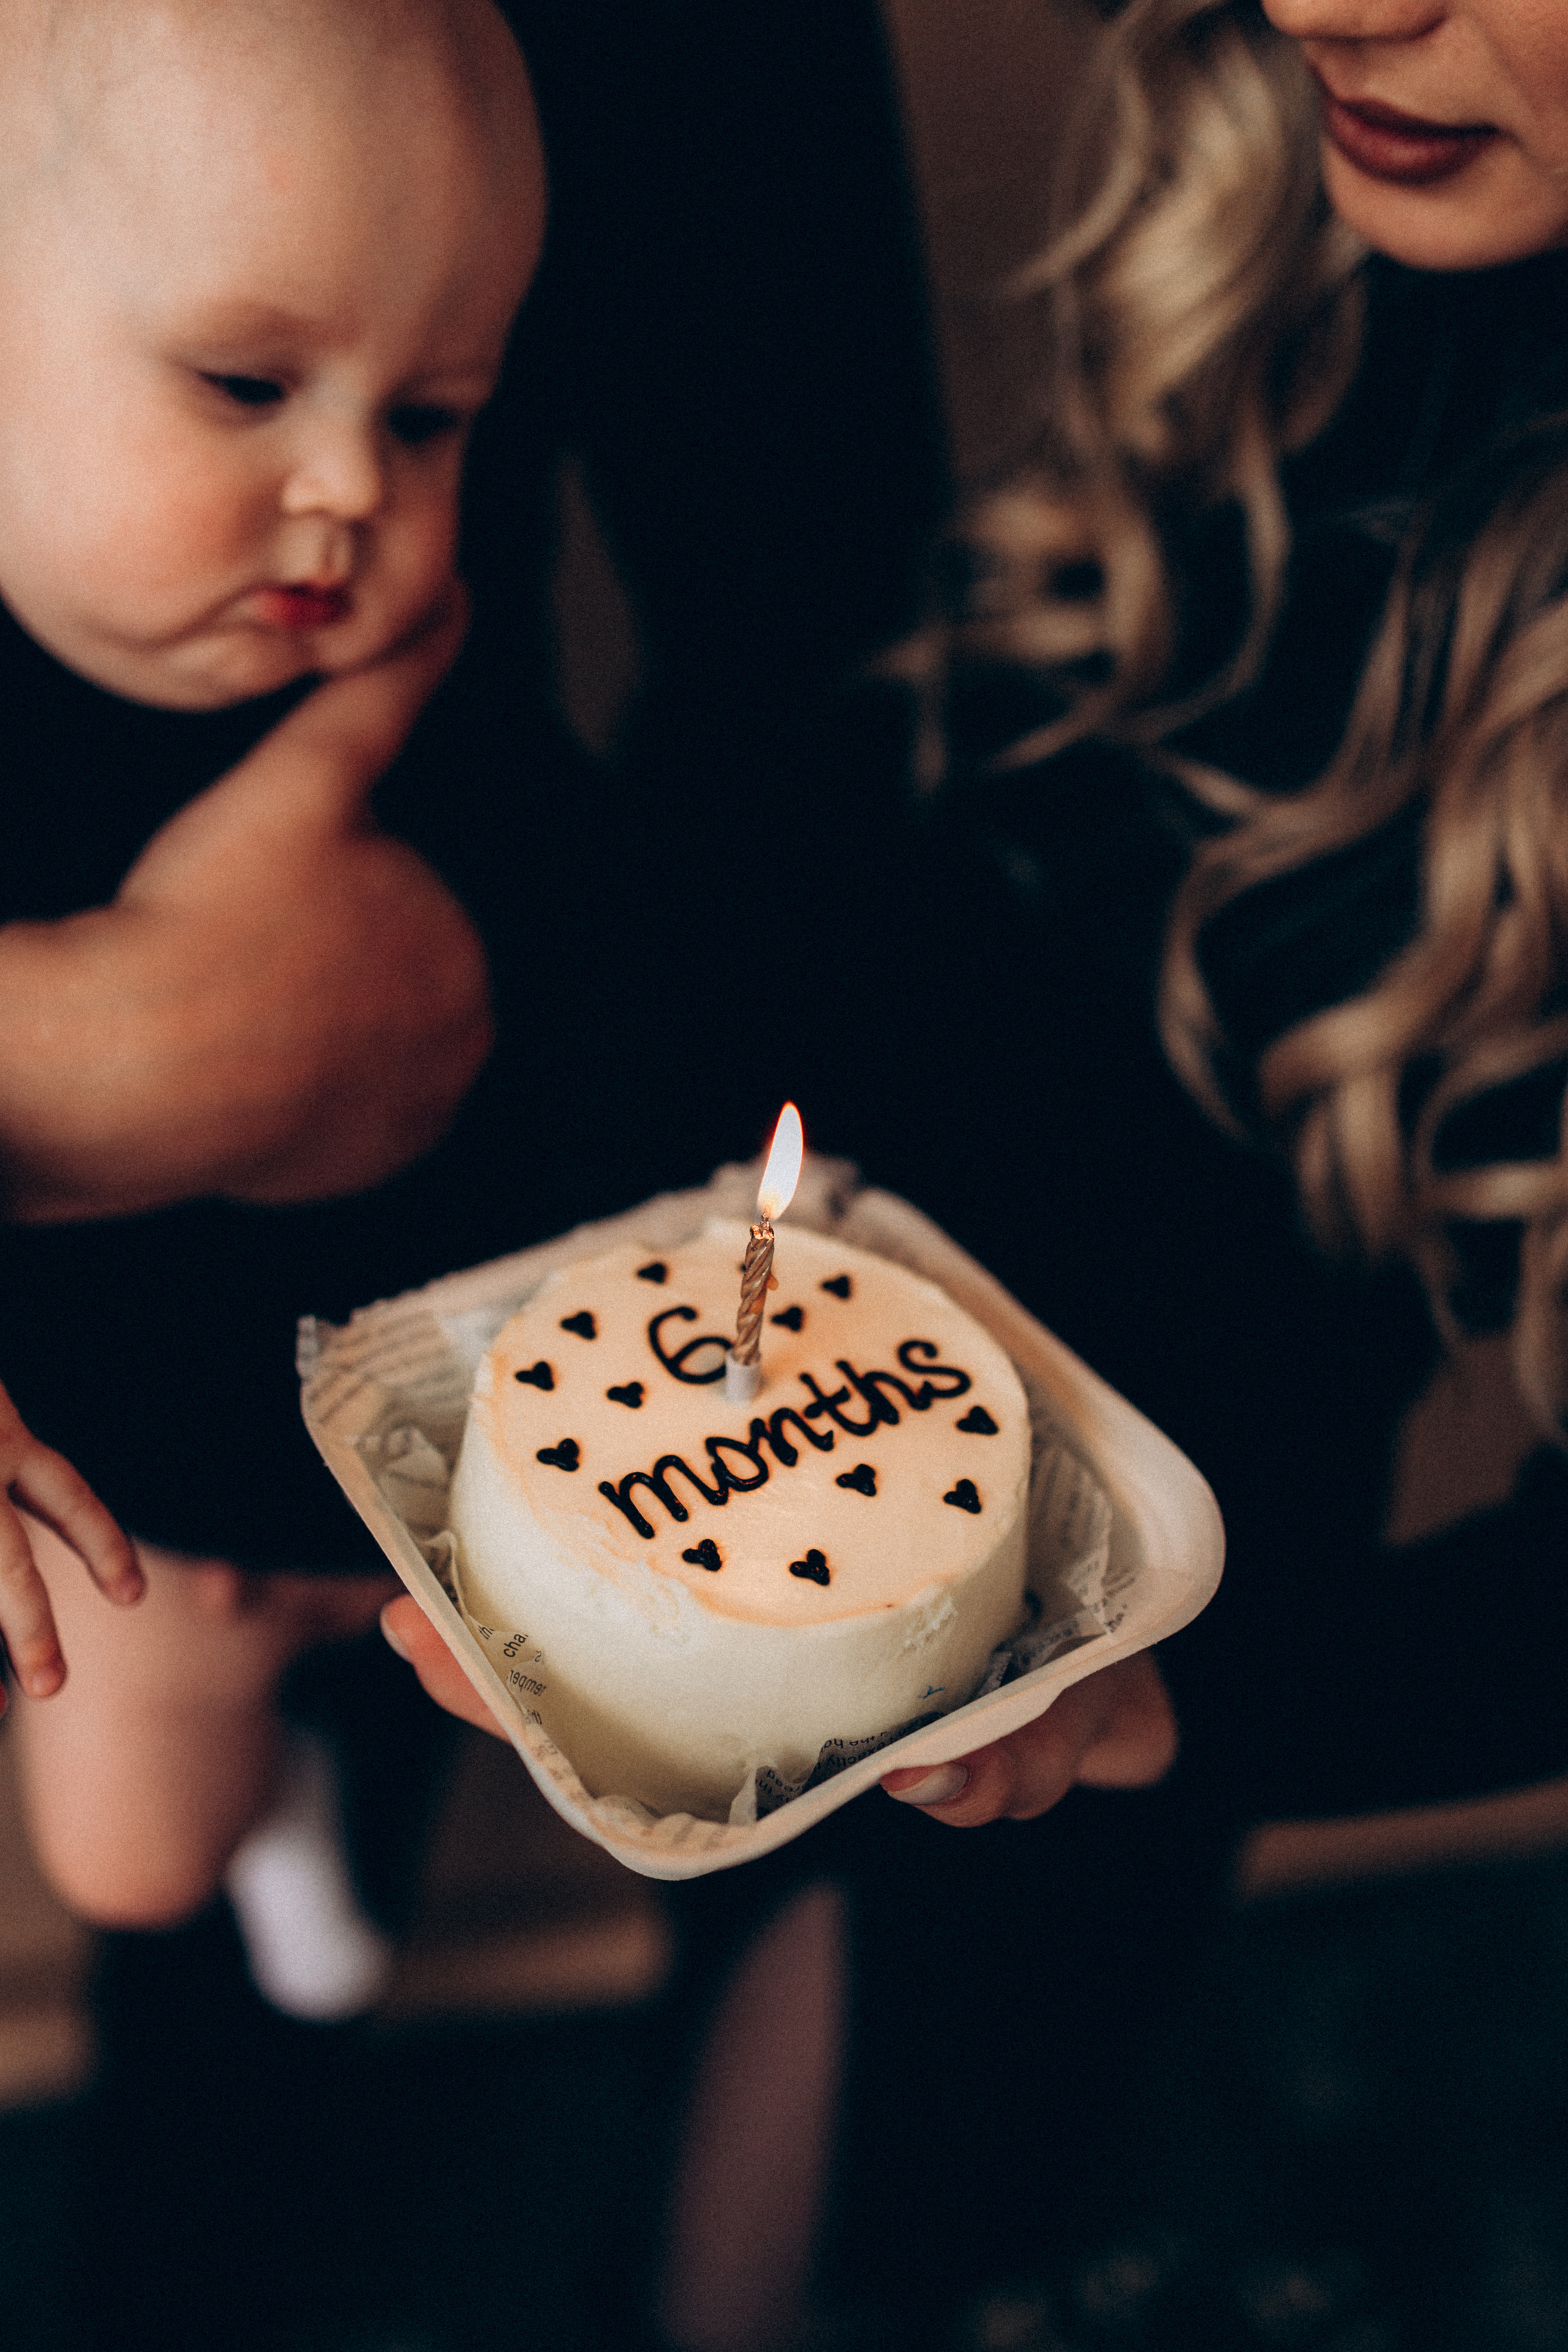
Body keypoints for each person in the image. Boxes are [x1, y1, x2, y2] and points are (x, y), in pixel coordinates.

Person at [384, 1, 1568, 2342]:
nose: (1327, 1)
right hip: (789, 1434)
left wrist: (1172, 1701)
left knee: (854, 2202)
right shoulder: (1347, 249)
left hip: (1123, 1658)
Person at [0, 0, 548, 1928]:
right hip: (125, 1459)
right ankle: (287, 1787)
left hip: (437, 1365)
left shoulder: (410, 636)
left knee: (475, 1689)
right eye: (246, 385)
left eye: (429, 416)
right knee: (135, 1856)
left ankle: (354, 1751)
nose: (351, 491)